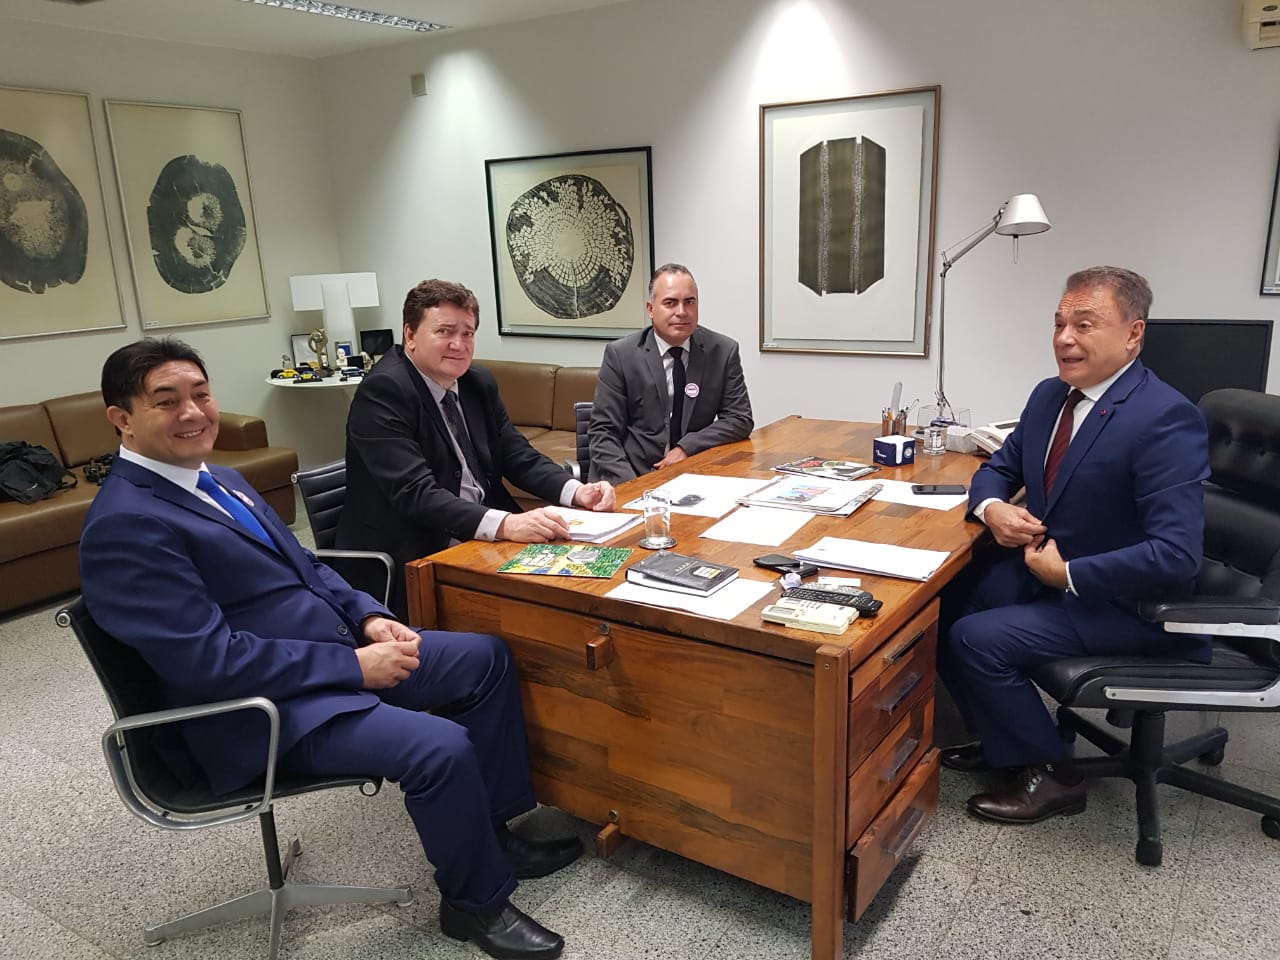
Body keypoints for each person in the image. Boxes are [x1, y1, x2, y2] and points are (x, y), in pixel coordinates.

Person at [79, 338, 579, 960]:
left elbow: (309, 568)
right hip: (258, 711)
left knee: (484, 658)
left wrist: (369, 617)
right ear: (122, 418)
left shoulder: (219, 478)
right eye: (166, 401)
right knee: (439, 746)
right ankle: (475, 904)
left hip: (327, 655)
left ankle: (492, 836)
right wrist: (353, 667)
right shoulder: (126, 523)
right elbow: (209, 662)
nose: (193, 412)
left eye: (201, 395)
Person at [937, 266, 1210, 824]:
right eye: (1059, 324)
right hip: (1045, 573)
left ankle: (1056, 775)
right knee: (940, 608)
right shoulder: (1050, 397)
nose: (1064, 338)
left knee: (974, 639)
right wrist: (993, 509)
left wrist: (1068, 575)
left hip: (1124, 603)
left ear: (1133, 334)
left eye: (1084, 325)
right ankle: (1002, 739)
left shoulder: (1164, 418)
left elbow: (1177, 556)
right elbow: (998, 468)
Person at [338, 279, 616, 617]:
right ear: (410, 335)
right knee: (547, 610)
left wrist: (577, 491)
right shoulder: (384, 392)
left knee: (596, 577)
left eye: (467, 333)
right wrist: (506, 525)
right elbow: (417, 494)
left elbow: (516, 455)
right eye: (444, 331)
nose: (458, 344)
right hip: (418, 552)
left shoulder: (476, 383)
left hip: (481, 534)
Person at [587, 263, 753, 484]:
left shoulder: (722, 351)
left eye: (689, 302)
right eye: (670, 303)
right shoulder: (621, 355)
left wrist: (687, 447)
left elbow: (740, 419)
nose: (681, 312)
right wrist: (633, 487)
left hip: (693, 475)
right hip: (633, 473)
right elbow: (603, 432)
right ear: (650, 309)